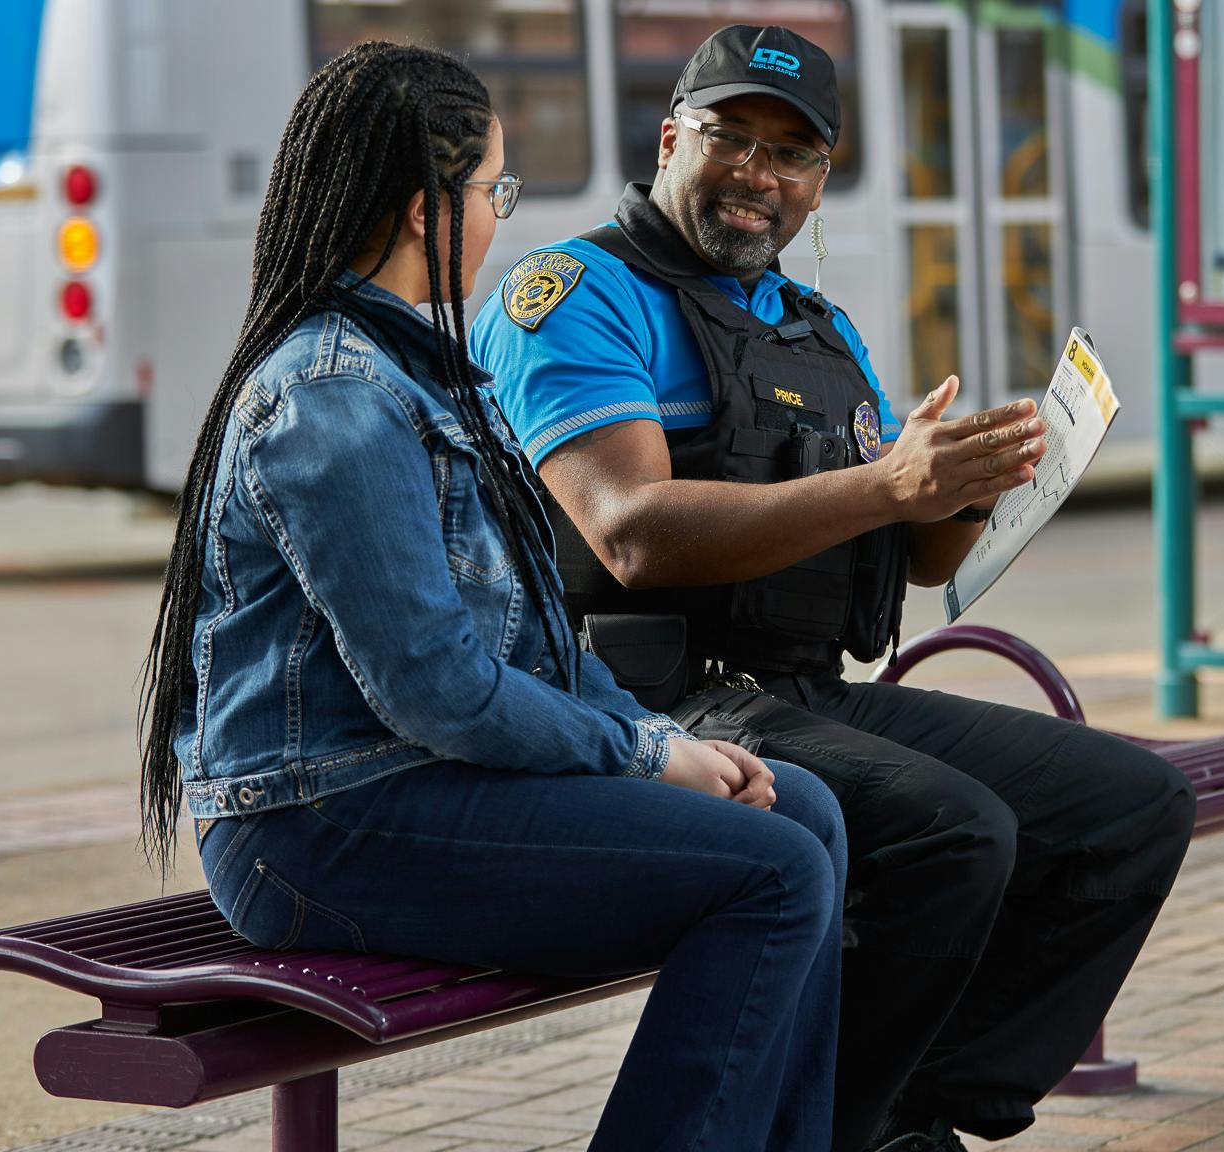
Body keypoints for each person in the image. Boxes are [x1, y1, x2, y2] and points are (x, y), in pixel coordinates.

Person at [471, 25, 1197, 1152]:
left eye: (794, 153)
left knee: (1127, 807)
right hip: (643, 702)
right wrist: (885, 485)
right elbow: (630, 536)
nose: (759, 176)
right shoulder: (573, 292)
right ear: (671, 138)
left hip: (802, 693)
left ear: (819, 180)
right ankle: (830, 1130)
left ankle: (905, 1112)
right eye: (731, 139)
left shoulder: (816, 326)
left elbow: (916, 561)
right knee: (952, 834)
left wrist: (968, 486)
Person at [132, 43, 847, 1152]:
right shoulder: (332, 395)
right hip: (320, 829)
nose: (499, 218)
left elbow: (537, 641)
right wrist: (647, 757)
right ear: (427, 212)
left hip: (404, 790)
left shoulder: (416, 371)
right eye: (491, 193)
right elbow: (442, 692)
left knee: (800, 808)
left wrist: (647, 728)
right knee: (774, 872)